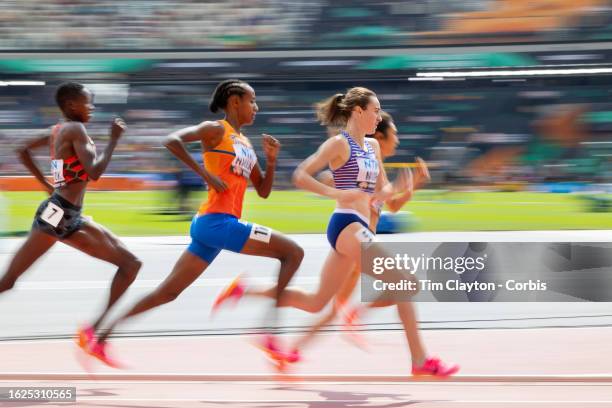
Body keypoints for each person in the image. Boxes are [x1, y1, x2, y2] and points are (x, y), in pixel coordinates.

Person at [217, 87, 458, 376]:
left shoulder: (373, 147)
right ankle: (420, 361)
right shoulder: (339, 145)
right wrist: (336, 194)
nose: (378, 116)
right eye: (375, 110)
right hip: (346, 225)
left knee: (318, 302)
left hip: (357, 231)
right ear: (358, 111)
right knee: (404, 281)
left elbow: (381, 193)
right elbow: (300, 175)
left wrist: (406, 186)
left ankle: (247, 291)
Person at [88, 79, 304, 363]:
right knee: (293, 252)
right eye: (252, 100)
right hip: (218, 223)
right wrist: (205, 174)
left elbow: (262, 191)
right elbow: (171, 140)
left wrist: (272, 160)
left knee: (168, 292)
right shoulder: (215, 130)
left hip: (213, 226)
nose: (256, 107)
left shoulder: (246, 144)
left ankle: (100, 337)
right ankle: (270, 333)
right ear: (234, 102)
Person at [0, 82, 142, 365]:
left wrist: (47, 185)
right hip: (57, 213)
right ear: (71, 106)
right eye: (87, 103)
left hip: (67, 213)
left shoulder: (57, 130)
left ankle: (91, 334)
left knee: (131, 264)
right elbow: (95, 172)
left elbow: (21, 148)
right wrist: (114, 139)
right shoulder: (75, 130)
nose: (91, 108)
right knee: (8, 280)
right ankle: (92, 334)